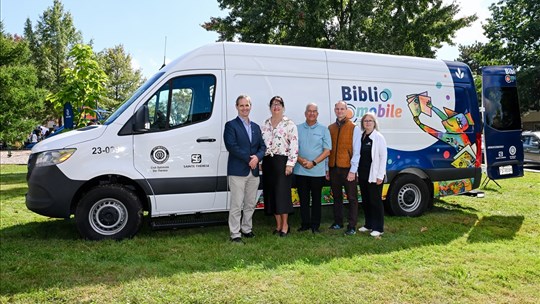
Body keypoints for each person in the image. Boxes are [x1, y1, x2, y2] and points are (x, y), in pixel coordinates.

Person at [224, 95, 267, 243]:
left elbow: (263, 146)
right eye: (241, 105)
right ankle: (235, 234)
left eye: (247, 105)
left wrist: (257, 157)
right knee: (236, 204)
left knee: (250, 203)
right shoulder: (230, 126)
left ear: (250, 106)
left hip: (253, 172)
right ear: (237, 107)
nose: (244, 108)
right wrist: (250, 159)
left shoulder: (255, 127)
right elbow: (232, 146)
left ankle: (246, 229)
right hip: (238, 171)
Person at [261, 96, 298, 237]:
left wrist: (290, 164)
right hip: (268, 162)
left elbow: (294, 146)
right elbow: (261, 144)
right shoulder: (265, 124)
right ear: (270, 107)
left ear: (283, 107)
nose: (276, 107)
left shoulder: (289, 124)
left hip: (282, 163)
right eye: (273, 104)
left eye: (279, 104)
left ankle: (285, 226)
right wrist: (260, 163)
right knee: (271, 195)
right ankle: (277, 225)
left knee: (282, 195)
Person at [294, 103, 331, 234]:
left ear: (317, 114)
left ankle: (315, 226)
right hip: (300, 170)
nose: (312, 113)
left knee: (316, 200)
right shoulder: (297, 128)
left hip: (317, 171)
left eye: (314, 111)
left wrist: (313, 163)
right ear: (305, 113)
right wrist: (300, 159)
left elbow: (327, 151)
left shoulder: (324, 129)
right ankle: (305, 224)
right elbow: (293, 148)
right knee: (303, 200)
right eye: (309, 111)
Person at [326, 101, 361, 236]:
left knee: (352, 198)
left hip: (348, 169)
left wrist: (353, 170)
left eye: (342, 109)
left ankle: (352, 226)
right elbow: (328, 150)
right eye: (337, 109)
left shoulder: (354, 128)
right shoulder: (330, 128)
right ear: (335, 110)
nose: (339, 111)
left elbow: (356, 150)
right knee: (337, 197)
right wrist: (327, 169)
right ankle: (338, 222)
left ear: (346, 111)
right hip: (334, 168)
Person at [357, 112, 388, 237]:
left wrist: (380, 175)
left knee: (375, 202)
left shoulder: (378, 137)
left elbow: (383, 157)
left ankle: (378, 228)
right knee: (366, 201)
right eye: (365, 121)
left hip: (375, 175)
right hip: (363, 174)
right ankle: (368, 225)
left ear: (374, 123)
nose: (368, 123)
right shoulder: (361, 137)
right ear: (362, 123)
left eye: (370, 121)